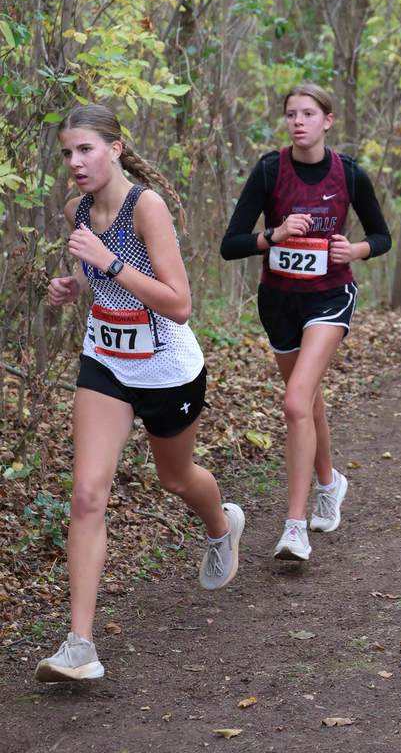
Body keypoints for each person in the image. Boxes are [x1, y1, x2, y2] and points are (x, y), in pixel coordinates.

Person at [35, 104, 244, 683]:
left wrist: (109, 262)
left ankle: (221, 525)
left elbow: (179, 303)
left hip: (166, 370)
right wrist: (71, 286)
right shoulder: (78, 210)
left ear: (115, 148)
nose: (75, 163)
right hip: (105, 362)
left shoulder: (144, 207)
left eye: (85, 150)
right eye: (67, 154)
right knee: (85, 494)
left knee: (175, 479)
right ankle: (79, 644)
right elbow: (95, 278)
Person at [220, 83, 391, 562]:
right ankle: (329, 483)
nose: (299, 121)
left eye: (308, 113)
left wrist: (355, 249)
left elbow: (381, 235)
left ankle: (295, 527)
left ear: (327, 121)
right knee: (308, 402)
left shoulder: (349, 173)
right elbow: (230, 243)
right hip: (279, 302)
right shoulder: (270, 170)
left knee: (295, 402)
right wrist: (272, 235)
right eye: (291, 114)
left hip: (330, 297)